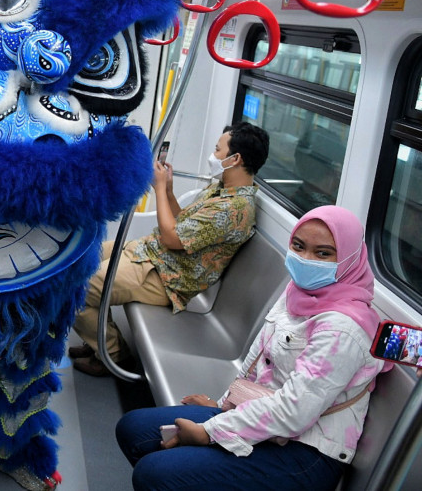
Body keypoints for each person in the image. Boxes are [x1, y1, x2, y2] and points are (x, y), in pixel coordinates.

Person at [115, 205, 387, 491]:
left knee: (154, 473)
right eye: (298, 246)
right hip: (262, 418)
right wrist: (223, 405)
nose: (305, 259)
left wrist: (209, 431)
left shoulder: (343, 328)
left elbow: (293, 413)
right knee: (133, 428)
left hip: (305, 453)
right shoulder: (299, 292)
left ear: (349, 258)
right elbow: (257, 360)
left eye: (323, 253)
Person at [71, 122, 270, 376]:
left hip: (166, 276)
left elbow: (172, 238)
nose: (213, 154)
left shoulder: (233, 209)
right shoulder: (221, 190)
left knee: (81, 288)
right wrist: (169, 191)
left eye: (218, 150)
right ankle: (96, 339)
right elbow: (183, 223)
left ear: (235, 159)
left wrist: (159, 191)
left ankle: (114, 356)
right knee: (81, 258)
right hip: (152, 255)